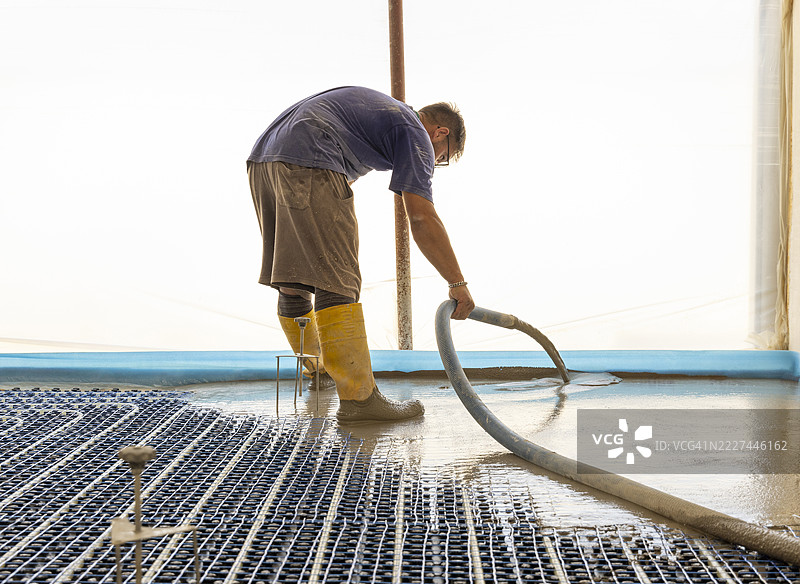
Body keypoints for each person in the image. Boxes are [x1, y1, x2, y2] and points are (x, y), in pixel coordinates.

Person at [247, 86, 474, 423]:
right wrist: (457, 282)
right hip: (309, 155)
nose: (434, 162)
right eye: (442, 157)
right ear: (440, 133)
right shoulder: (415, 131)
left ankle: (319, 372)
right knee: (337, 278)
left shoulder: (387, 115)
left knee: (293, 278)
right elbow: (422, 218)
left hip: (265, 160)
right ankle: (360, 401)